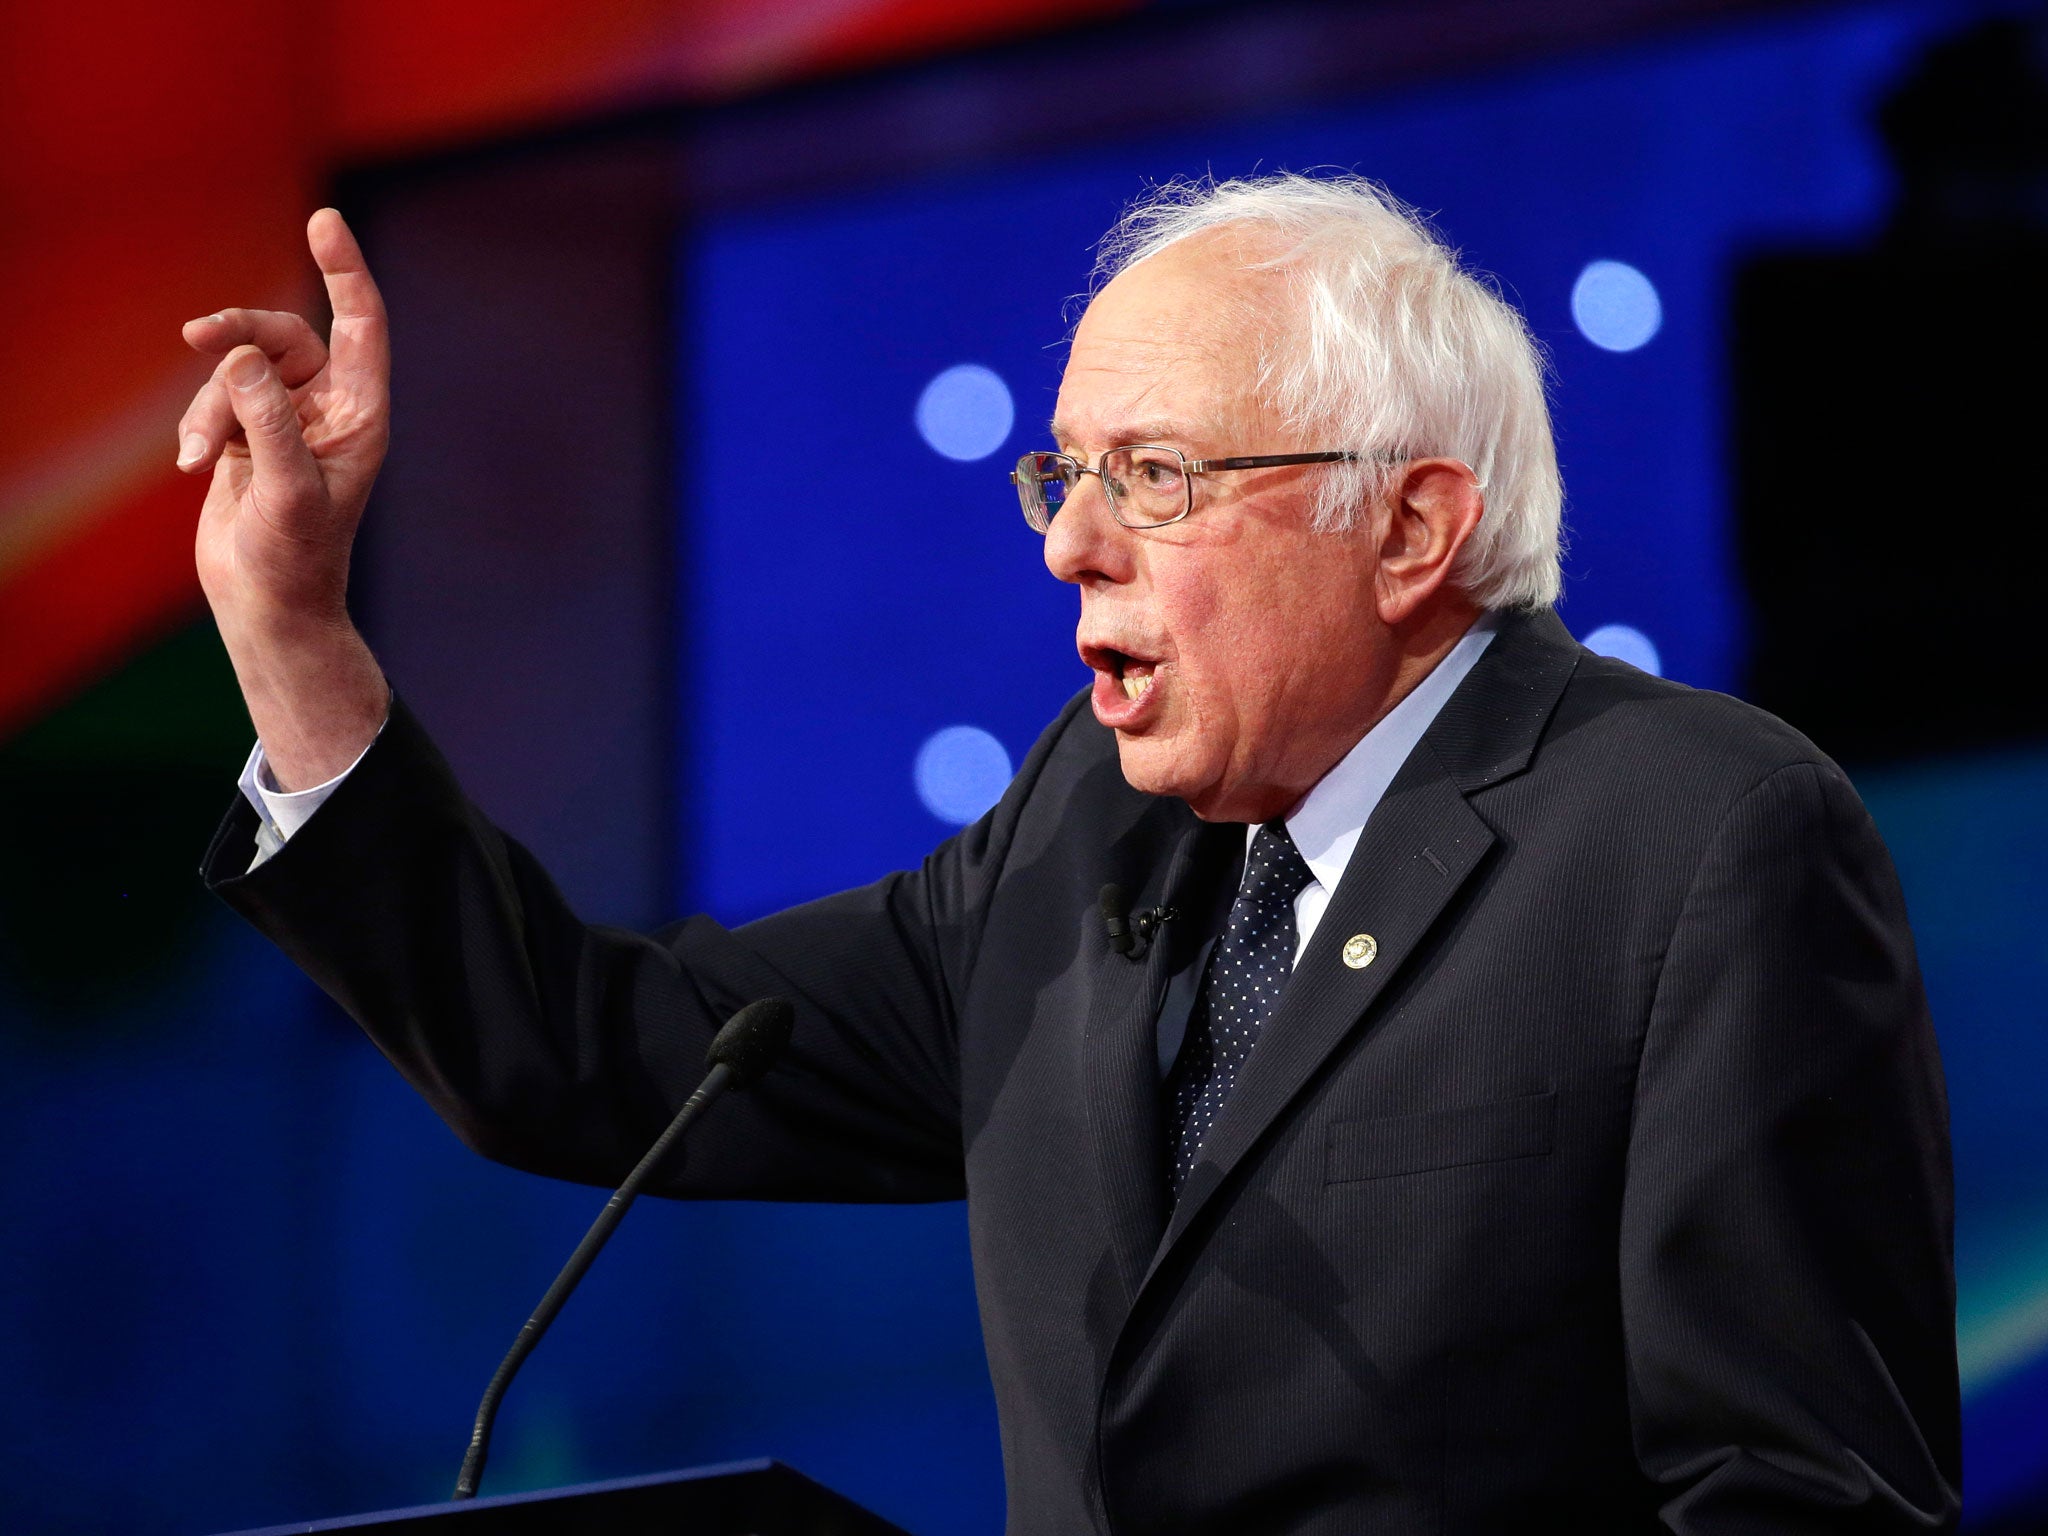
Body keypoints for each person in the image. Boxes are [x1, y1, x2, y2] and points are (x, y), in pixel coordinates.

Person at [181, 174, 1961, 1534]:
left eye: (1157, 479)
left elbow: (1793, 1496)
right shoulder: (1079, 832)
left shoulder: (1697, 839)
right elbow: (585, 1054)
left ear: (1412, 525)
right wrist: (293, 638)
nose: (1072, 548)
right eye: (1063, 477)